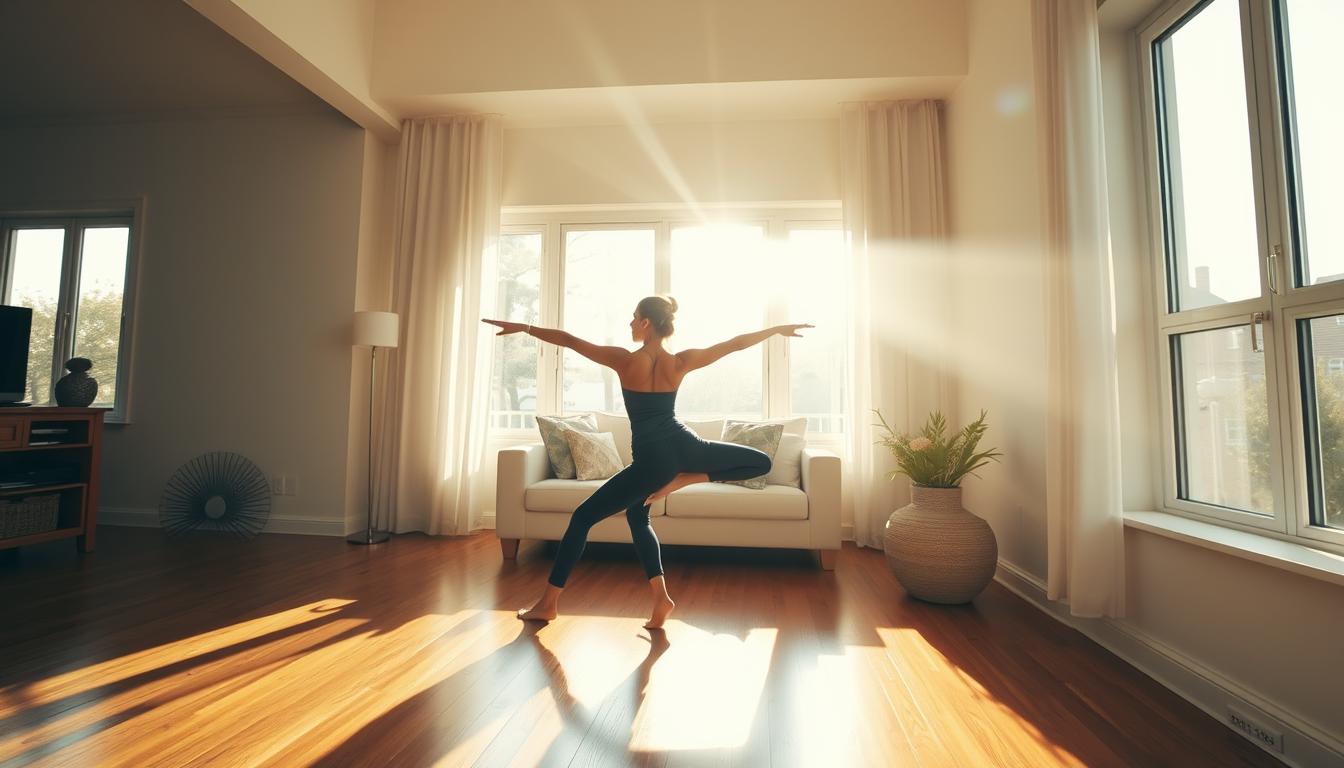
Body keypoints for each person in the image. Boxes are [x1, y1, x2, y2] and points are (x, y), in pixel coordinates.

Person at [483, 296, 811, 629]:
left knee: (582, 518)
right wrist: (777, 329)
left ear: (645, 324)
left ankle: (548, 604)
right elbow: (735, 344)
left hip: (654, 462)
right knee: (641, 516)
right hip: (686, 447)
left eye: (634, 316)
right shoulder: (681, 362)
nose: (629, 323)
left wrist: (524, 327)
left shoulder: (624, 361)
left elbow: (568, 340)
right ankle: (661, 600)